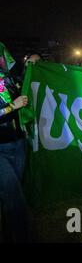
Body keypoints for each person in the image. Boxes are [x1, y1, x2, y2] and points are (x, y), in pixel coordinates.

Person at [0, 43, 30, 242]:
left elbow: (28, 83)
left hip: (18, 143)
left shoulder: (10, 78)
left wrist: (32, 66)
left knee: (11, 195)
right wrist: (12, 106)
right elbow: (14, 106)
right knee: (14, 197)